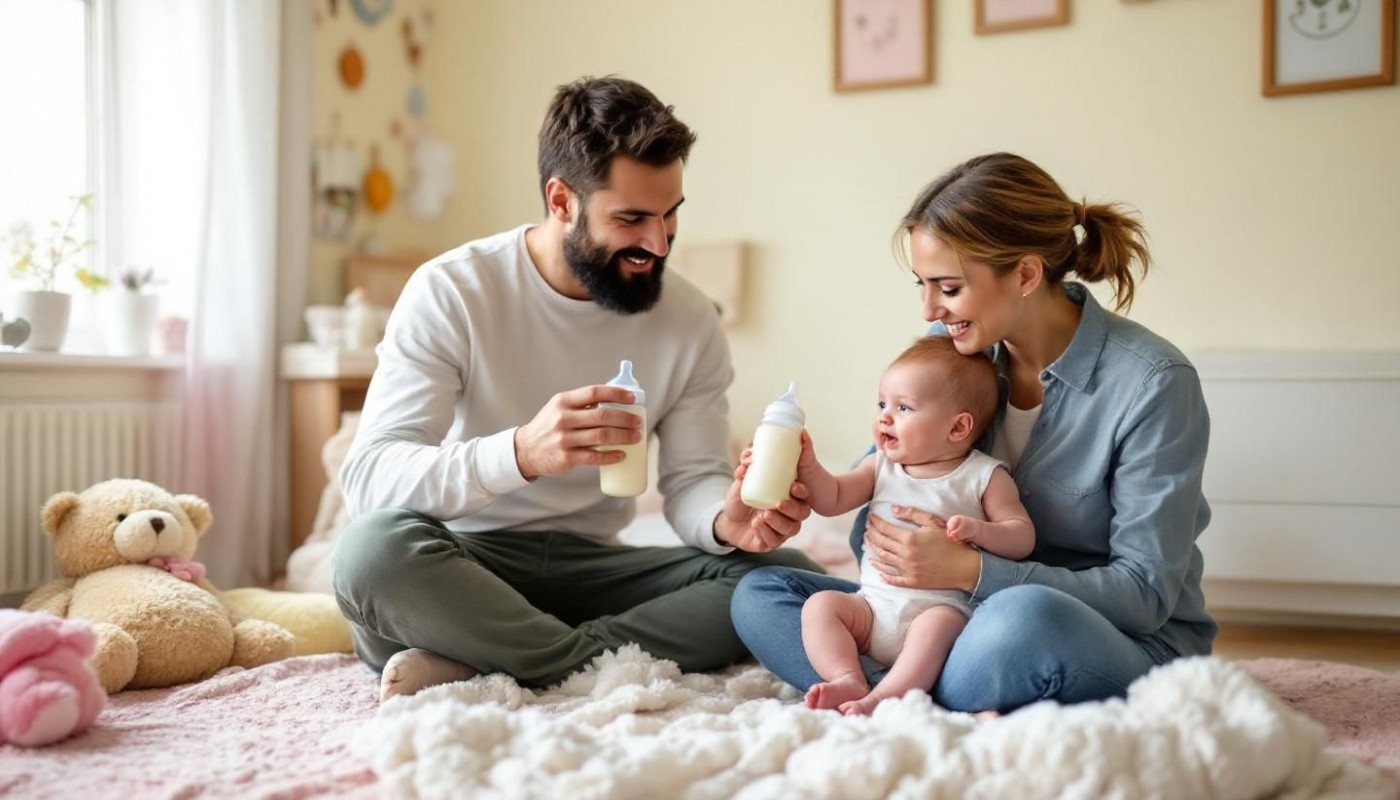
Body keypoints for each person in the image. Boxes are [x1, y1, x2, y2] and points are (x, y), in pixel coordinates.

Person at [332, 76, 816, 703]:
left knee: (790, 578)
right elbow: (370, 479)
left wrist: (726, 521)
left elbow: (694, 479)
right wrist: (521, 453)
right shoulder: (452, 291)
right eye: (631, 218)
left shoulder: (692, 320)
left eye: (670, 214)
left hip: (597, 570)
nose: (658, 243)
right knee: (370, 556)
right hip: (467, 562)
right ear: (561, 200)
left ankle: (491, 657)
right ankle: (581, 659)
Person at [730, 152, 1216, 714]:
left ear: (1026, 275)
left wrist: (972, 569)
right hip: (950, 615)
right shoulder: (956, 354)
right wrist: (808, 484)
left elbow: (1145, 596)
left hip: (1102, 633)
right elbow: (882, 492)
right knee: (762, 593)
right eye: (922, 285)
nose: (928, 310)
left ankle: (913, 688)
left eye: (949, 287)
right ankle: (897, 690)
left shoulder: (1152, 382)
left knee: (1021, 619)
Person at [787, 336, 1033, 716]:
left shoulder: (983, 476)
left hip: (937, 610)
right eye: (881, 404)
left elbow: (1022, 536)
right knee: (820, 606)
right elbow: (832, 497)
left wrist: (979, 531)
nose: (884, 417)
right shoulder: (880, 466)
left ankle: (883, 696)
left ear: (958, 427)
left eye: (903, 407)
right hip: (870, 609)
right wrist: (809, 468)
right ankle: (847, 676)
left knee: (937, 627)